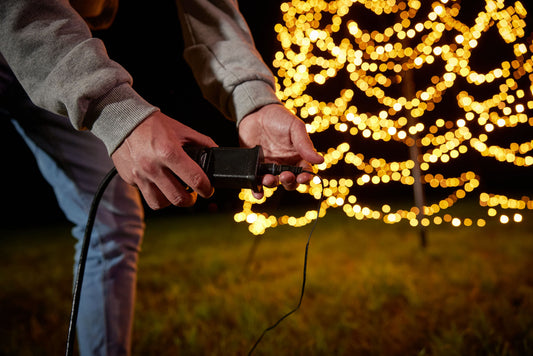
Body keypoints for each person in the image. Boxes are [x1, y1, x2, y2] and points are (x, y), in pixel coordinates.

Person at [0, 0, 324, 355]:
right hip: (33, 38)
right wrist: (115, 110)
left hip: (59, 51)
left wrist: (255, 101)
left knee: (111, 223)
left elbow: (209, 10)